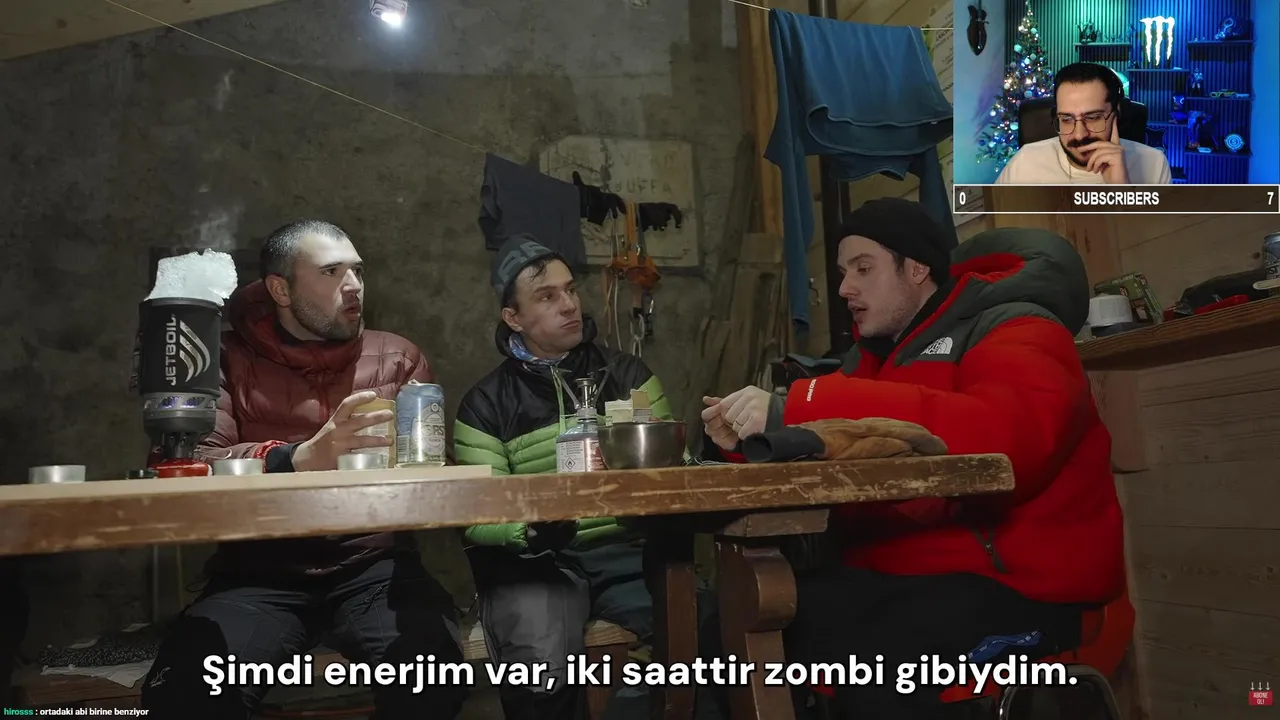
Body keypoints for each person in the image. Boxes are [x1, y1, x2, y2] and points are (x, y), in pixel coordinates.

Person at [702, 198, 1125, 718]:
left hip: (1018, 587)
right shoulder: (869, 363)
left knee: (873, 659)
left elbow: (1006, 442)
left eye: (863, 268)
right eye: (843, 273)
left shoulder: (1018, 330)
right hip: (895, 578)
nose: (845, 288)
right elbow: (823, 450)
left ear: (917, 269)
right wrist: (747, 443)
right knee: (730, 630)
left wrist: (805, 403)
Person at [141, 220, 466, 719]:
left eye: (358, 271)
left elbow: (434, 470)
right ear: (280, 289)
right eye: (332, 272)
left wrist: (424, 469)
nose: (354, 285)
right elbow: (189, 462)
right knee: (184, 694)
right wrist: (295, 459)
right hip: (258, 574)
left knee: (432, 680)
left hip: (373, 568)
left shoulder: (398, 357)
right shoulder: (221, 357)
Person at [452, 236, 675, 720]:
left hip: (627, 551)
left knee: (699, 632)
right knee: (538, 669)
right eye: (547, 296)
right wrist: (529, 531)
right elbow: (475, 516)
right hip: (538, 564)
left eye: (570, 289)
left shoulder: (628, 376)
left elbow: (674, 472)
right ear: (513, 317)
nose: (569, 304)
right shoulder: (485, 405)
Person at [996, 62, 1171, 185]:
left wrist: (1121, 191)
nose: (1079, 135)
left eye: (1093, 117)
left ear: (1116, 115)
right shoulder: (1026, 162)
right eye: (1066, 119)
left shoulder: (1153, 165)